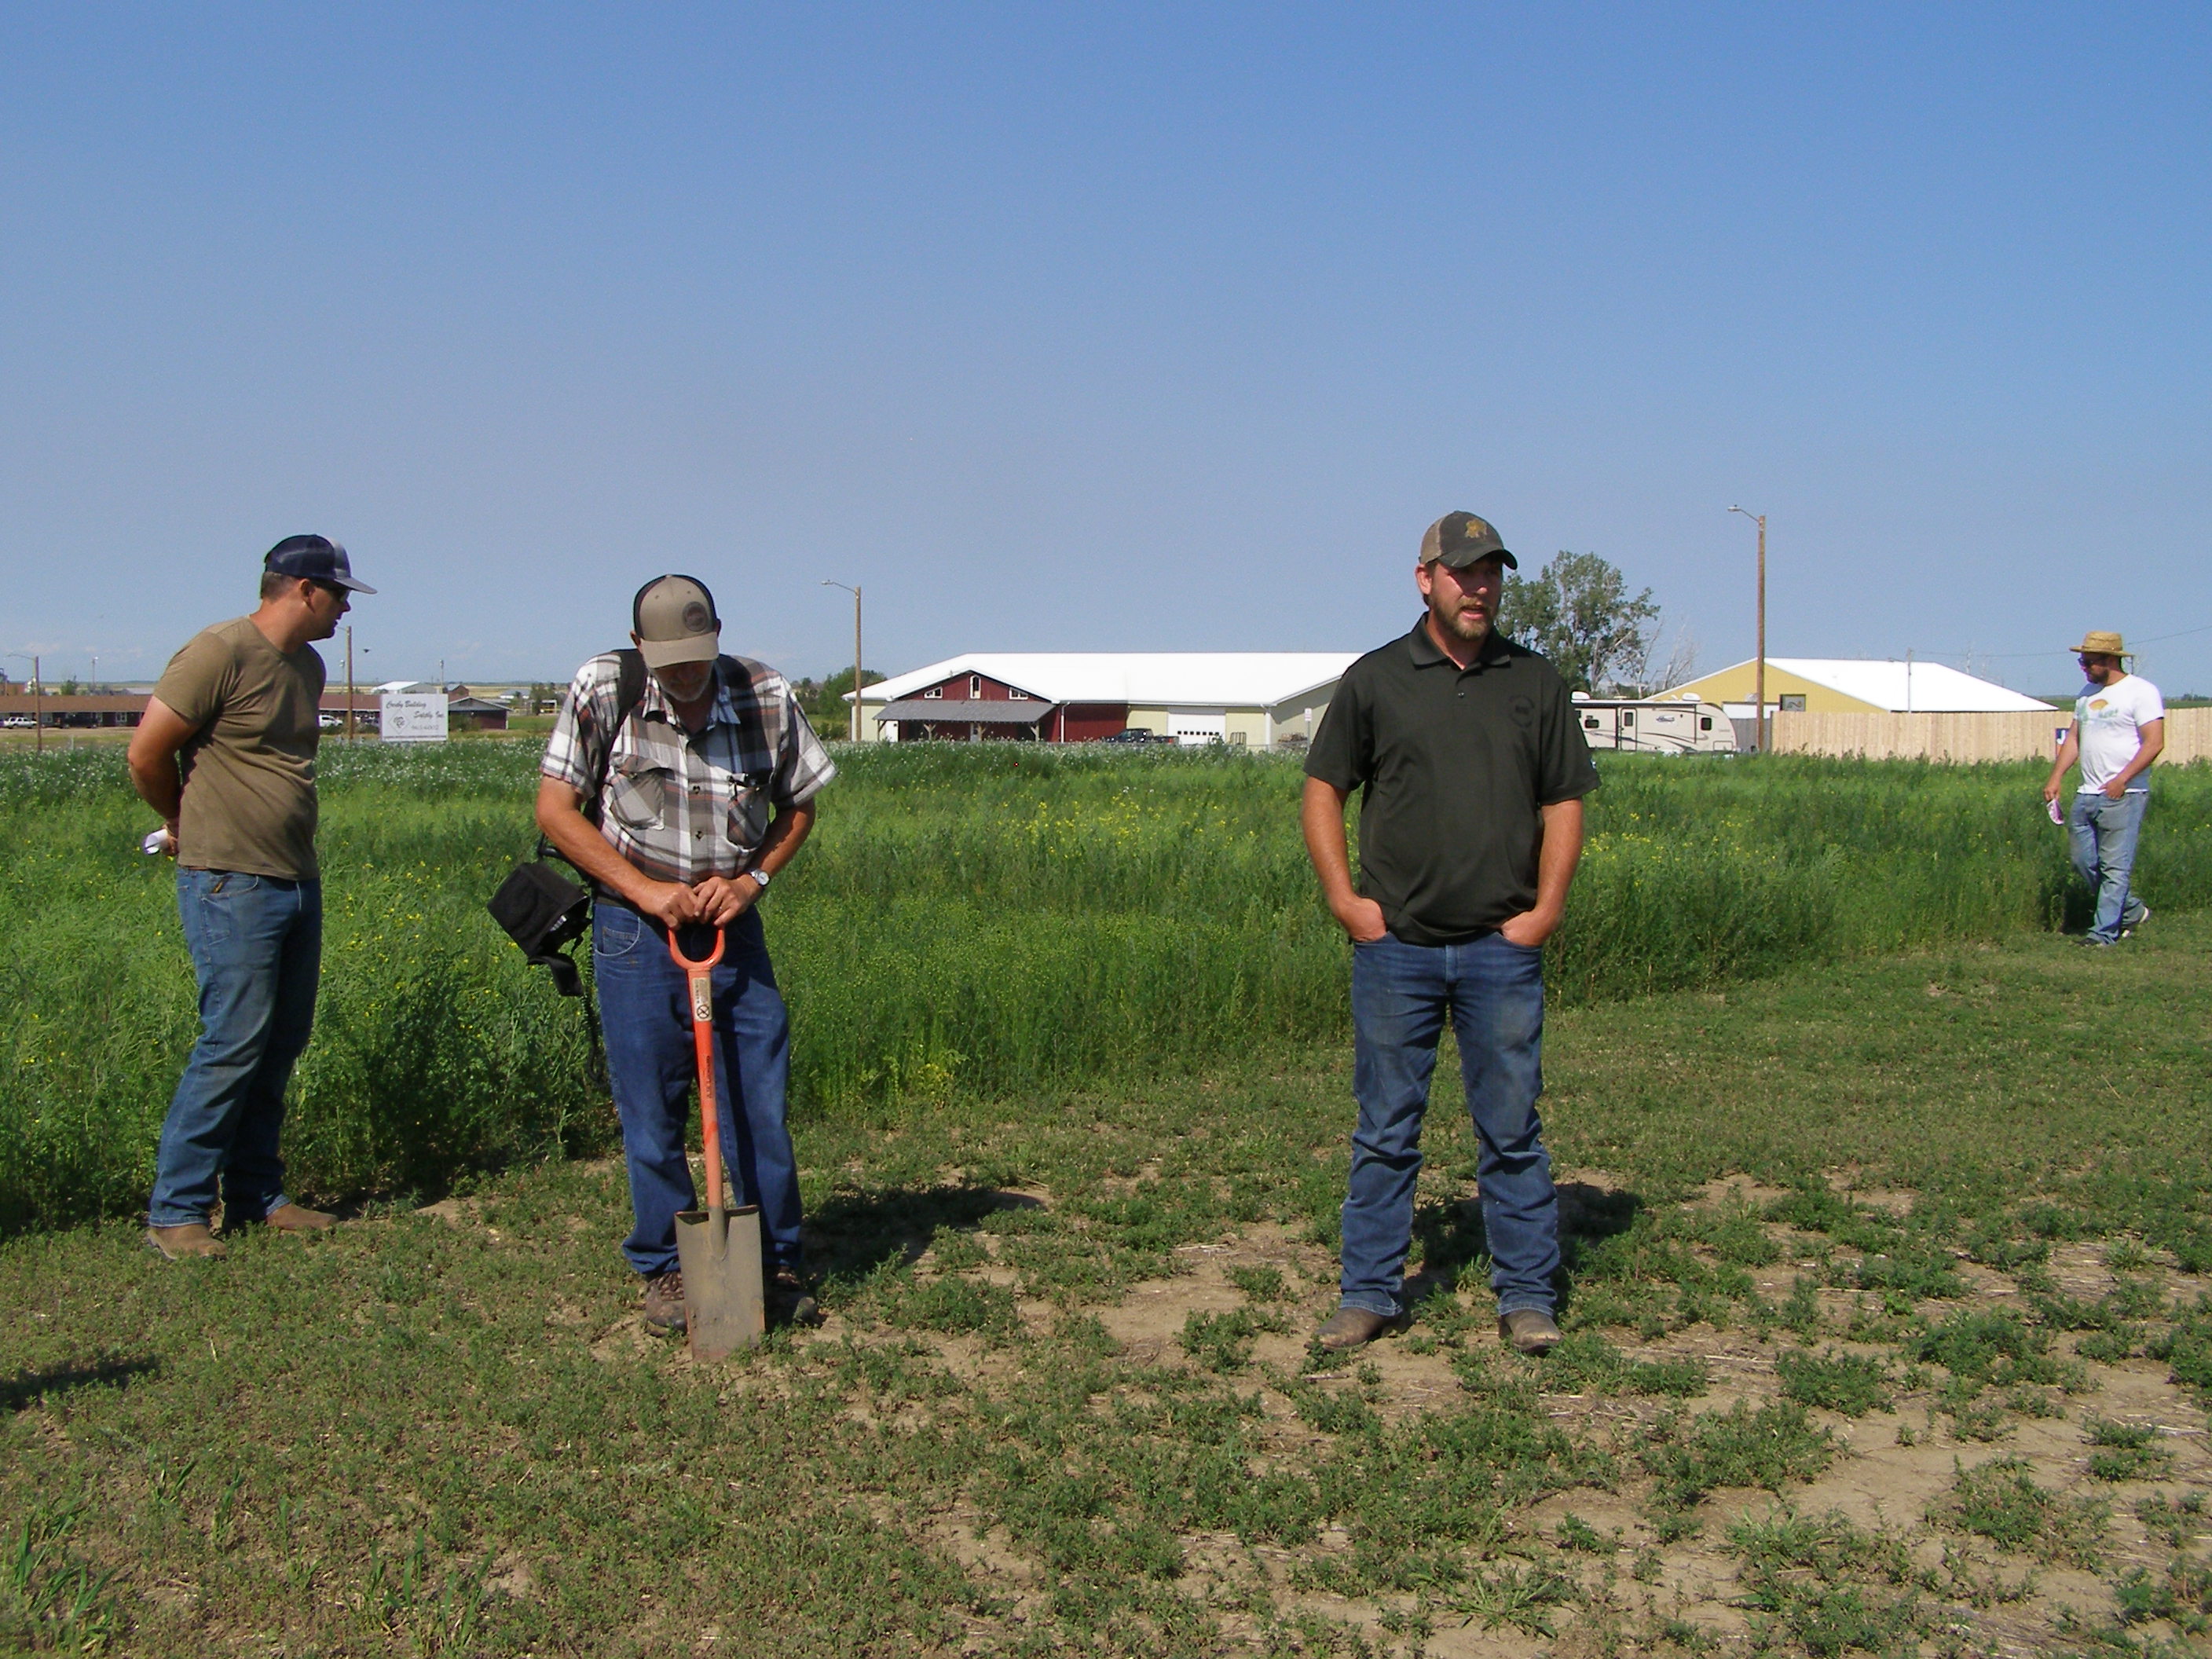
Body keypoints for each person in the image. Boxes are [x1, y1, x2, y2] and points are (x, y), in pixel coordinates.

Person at [1301, 511, 1599, 1354]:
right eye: (1463, 572)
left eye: (1491, 573)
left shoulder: (1532, 682)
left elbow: (1563, 800)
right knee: (1385, 1130)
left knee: (1511, 1130)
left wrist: (1544, 912)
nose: (1479, 588)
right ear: (1424, 578)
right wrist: (1345, 901)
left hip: (1498, 951)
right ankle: (1368, 1293)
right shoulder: (1376, 680)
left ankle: (1527, 1297)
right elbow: (1323, 789)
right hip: (1395, 949)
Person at [536, 575, 835, 1333]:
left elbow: (799, 806)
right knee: (651, 1105)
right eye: (669, 662)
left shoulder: (765, 694)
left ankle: (774, 1258)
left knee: (757, 1099)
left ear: (718, 636)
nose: (686, 674)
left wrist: (752, 881)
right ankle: (666, 1265)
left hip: (733, 924)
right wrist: (646, 891)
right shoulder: (604, 689)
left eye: (697, 657)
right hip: (634, 926)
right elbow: (556, 811)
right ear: (640, 646)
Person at [128, 535, 375, 1259]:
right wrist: (179, 820)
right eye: (339, 595)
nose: (345, 609)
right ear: (302, 589)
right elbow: (146, 753)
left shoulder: (308, 666)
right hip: (229, 879)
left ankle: (256, 1196)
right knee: (232, 1042)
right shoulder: (219, 651)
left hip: (295, 877)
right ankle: (177, 1211)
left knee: (279, 1043)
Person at [2044, 632, 2164, 947]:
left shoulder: (2141, 692)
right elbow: (2074, 738)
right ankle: (2132, 911)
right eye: (2081, 661)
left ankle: (2103, 934)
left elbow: (2154, 743)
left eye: (2089, 662)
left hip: (2124, 794)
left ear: (2110, 660)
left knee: (2115, 867)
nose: (2083, 667)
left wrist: (2123, 779)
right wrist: (2056, 777)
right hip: (2087, 793)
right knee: (2083, 862)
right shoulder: (2086, 694)